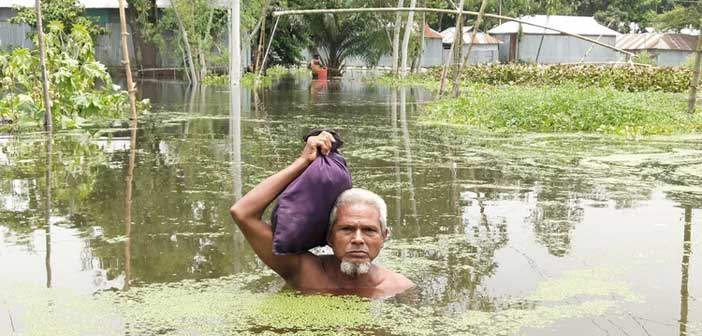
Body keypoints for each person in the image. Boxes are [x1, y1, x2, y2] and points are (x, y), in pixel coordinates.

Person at [229, 131, 415, 298]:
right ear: (329, 236)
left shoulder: (398, 287)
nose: (358, 239)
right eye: (347, 229)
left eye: (369, 230)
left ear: (385, 236)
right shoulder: (304, 272)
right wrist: (303, 162)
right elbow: (242, 213)